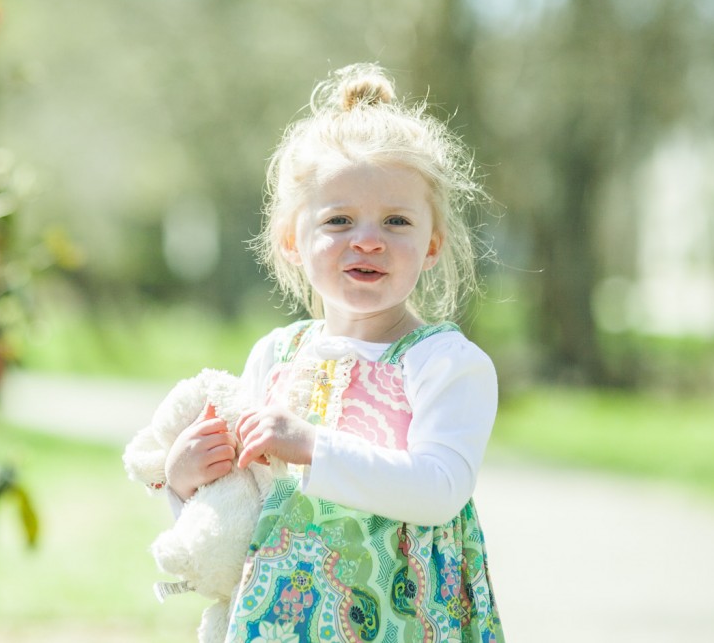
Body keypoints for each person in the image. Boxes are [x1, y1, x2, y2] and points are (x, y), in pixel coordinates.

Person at [165, 62, 504, 643]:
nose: (367, 239)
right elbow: (240, 514)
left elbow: (441, 488)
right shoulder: (277, 354)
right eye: (339, 219)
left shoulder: (444, 362)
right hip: (279, 622)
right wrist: (184, 483)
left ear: (431, 244)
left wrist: (311, 447)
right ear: (294, 241)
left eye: (396, 221)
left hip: (406, 623)